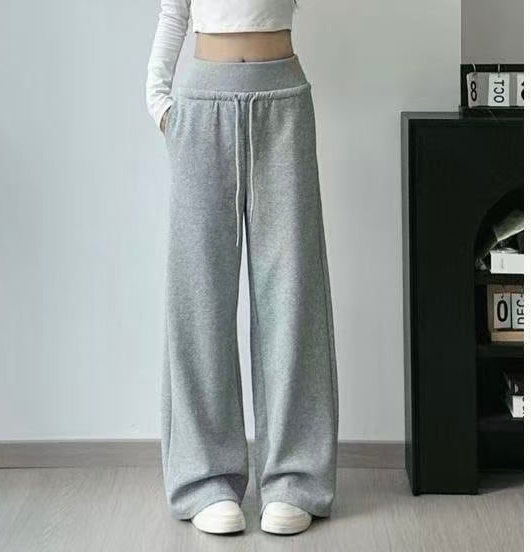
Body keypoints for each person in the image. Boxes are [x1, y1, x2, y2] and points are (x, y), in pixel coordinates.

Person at [145, 0, 339, 536]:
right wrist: (159, 102)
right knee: (199, 297)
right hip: (200, 105)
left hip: (285, 100)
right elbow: (173, 14)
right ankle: (204, 478)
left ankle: (295, 477)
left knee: (293, 295)